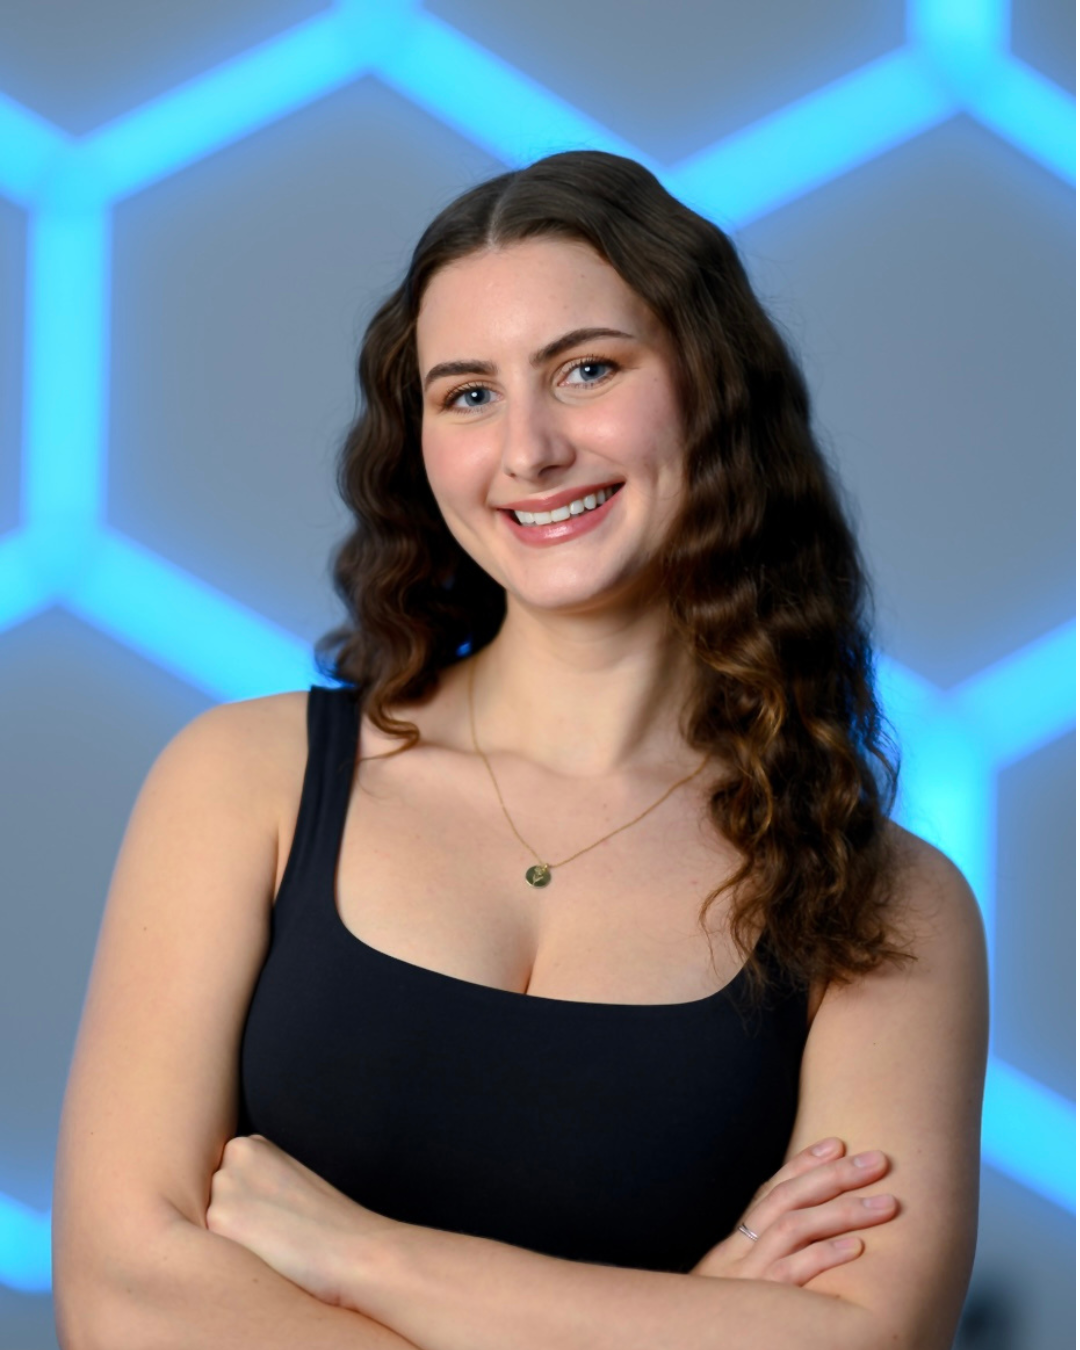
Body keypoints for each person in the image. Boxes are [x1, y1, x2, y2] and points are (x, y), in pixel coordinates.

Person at [52, 150, 988, 1350]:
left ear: (716, 389)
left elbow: (859, 1340)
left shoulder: (888, 899)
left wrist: (362, 1256)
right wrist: (687, 1322)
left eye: (586, 370)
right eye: (468, 395)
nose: (531, 450)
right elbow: (123, 1296)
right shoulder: (245, 781)